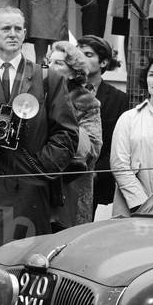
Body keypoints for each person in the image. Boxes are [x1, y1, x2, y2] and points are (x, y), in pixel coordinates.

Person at [0, 7, 78, 254]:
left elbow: (66, 133)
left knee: (25, 260)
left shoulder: (47, 78)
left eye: (18, 29)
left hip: (30, 189)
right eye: (5, 28)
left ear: (24, 33)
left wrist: (40, 167)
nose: (12, 34)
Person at [47, 40, 102, 229]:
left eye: (58, 63)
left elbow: (93, 147)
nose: (50, 67)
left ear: (73, 72)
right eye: (49, 62)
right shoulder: (37, 95)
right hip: (40, 181)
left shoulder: (87, 102)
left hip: (71, 185)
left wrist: (63, 129)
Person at [110, 53, 153, 215]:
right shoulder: (128, 118)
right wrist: (143, 205)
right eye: (152, 74)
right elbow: (119, 166)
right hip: (133, 209)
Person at [76, 35, 128, 210]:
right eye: (78, 53)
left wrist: (95, 173)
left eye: (88, 55)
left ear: (104, 62)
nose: (81, 58)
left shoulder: (119, 99)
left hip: (96, 182)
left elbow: (118, 145)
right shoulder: (61, 89)